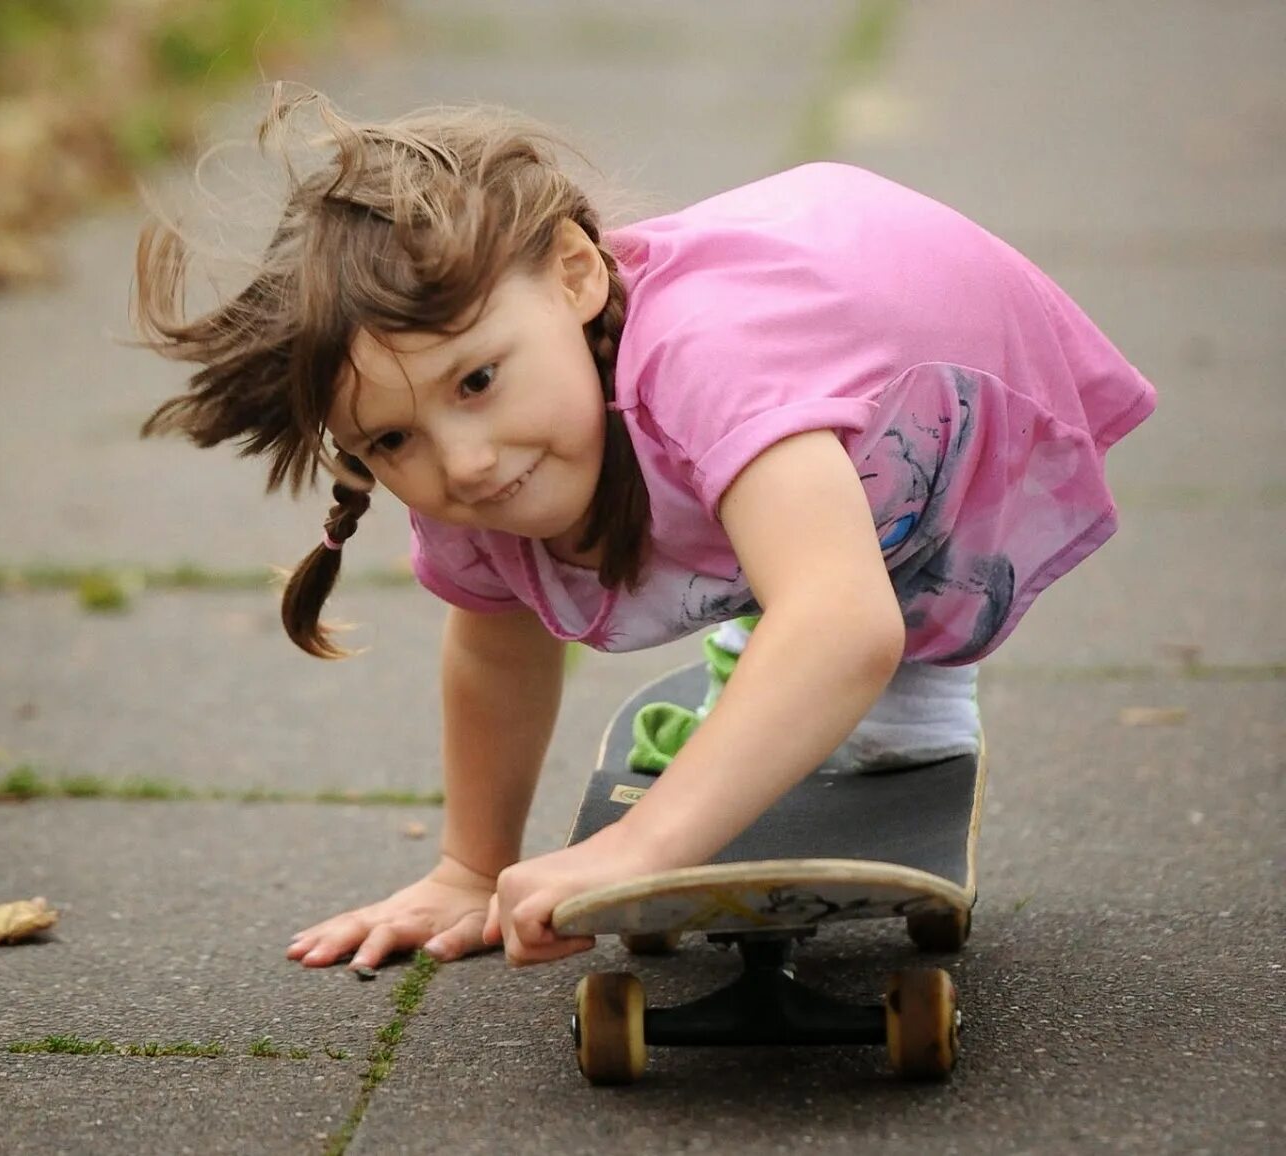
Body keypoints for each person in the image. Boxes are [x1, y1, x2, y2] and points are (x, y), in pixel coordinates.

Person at [133, 88, 1156, 972]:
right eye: (395, 438)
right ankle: (768, 636)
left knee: (847, 589)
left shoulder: (710, 360)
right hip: (776, 392)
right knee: (775, 561)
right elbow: (496, 651)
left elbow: (846, 622)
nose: (465, 461)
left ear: (576, 274)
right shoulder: (467, 474)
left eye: (479, 379)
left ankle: (884, 681)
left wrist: (644, 844)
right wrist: (469, 868)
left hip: (918, 356)